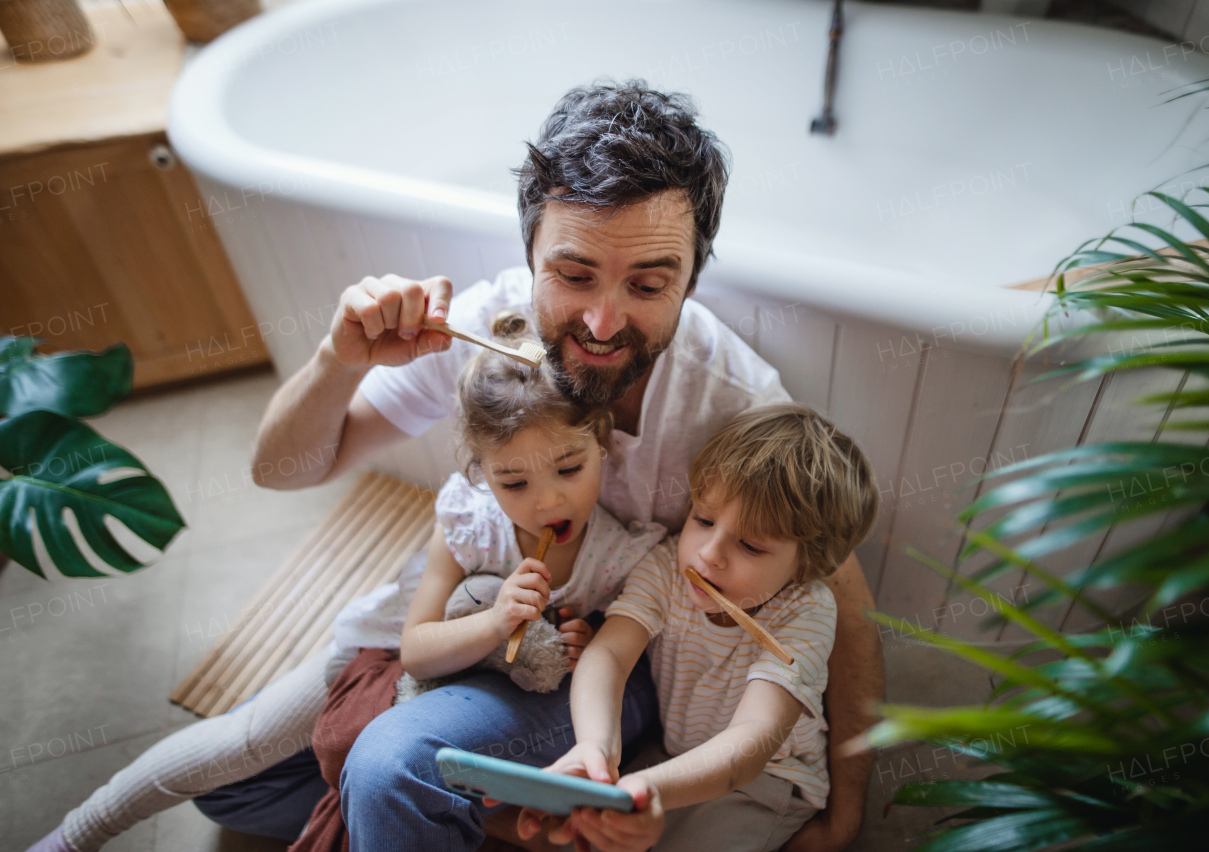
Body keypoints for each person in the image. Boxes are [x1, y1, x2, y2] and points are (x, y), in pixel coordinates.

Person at [31, 78, 882, 852]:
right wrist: (340, 356)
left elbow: (837, 598)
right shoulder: (489, 336)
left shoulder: (736, 404)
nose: (601, 320)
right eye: (574, 273)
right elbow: (281, 472)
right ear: (528, 257)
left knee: (387, 768)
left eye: (649, 285)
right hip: (448, 634)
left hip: (582, 665)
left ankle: (425, 804)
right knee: (243, 792)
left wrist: (844, 814)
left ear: (694, 278)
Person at [286, 310, 671, 851]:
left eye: (569, 468)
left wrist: (588, 643)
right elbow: (416, 651)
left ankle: (446, 812)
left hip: (553, 702)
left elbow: (621, 659)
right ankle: (463, 817)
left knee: (382, 773)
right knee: (249, 781)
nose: (548, 502)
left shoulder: (618, 554)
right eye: (513, 481)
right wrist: (495, 621)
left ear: (601, 442)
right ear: (482, 474)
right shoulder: (469, 525)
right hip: (464, 679)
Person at [514, 404, 880, 852]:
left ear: (807, 565)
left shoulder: (806, 611)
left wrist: (640, 791)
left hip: (765, 784)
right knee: (590, 833)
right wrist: (595, 748)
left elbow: (748, 746)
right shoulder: (669, 564)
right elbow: (608, 655)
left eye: (749, 545)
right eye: (703, 519)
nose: (709, 554)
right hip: (675, 757)